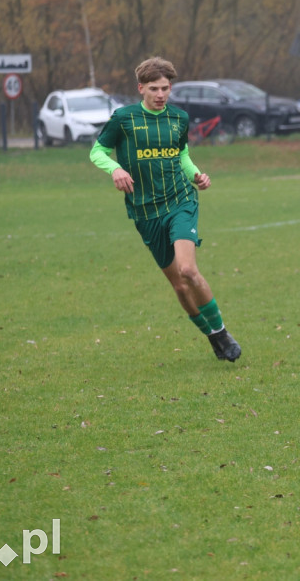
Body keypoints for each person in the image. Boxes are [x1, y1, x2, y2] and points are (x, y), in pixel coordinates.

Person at [89, 57, 241, 363]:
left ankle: (222, 331)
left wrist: (196, 174)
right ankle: (212, 337)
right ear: (141, 88)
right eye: (155, 89)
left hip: (180, 201)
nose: (161, 95)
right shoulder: (124, 119)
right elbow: (97, 151)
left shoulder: (179, 118)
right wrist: (114, 169)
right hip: (145, 212)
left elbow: (181, 155)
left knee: (188, 270)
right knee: (179, 286)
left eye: (166, 89)